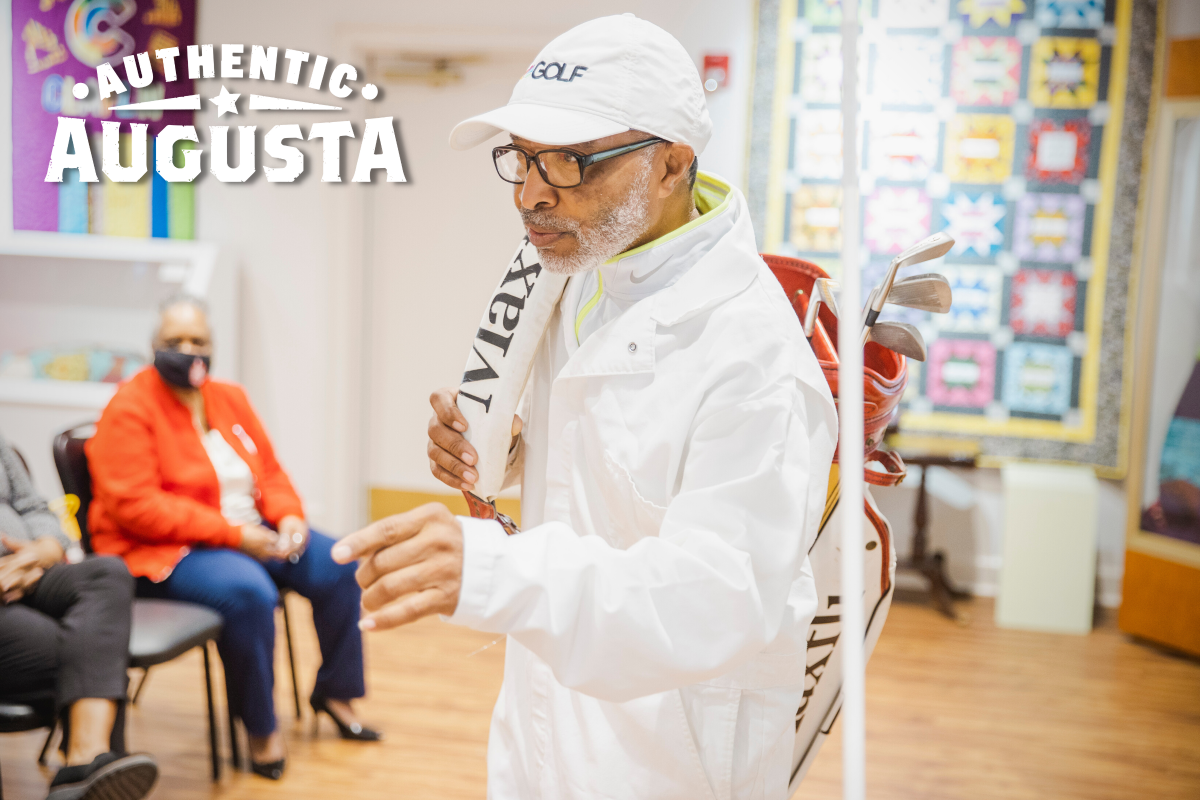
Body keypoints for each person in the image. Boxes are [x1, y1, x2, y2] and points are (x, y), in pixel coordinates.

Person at [333, 14, 838, 800]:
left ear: (671, 165)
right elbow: (617, 474)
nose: (532, 195)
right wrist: (511, 453)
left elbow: (715, 601)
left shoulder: (754, 355)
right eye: (523, 159)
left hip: (670, 765)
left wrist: (495, 571)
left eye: (571, 162)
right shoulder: (583, 272)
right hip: (541, 735)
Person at [86, 297, 380, 782]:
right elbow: (137, 507)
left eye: (197, 341)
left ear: (212, 346)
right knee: (249, 593)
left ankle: (335, 691)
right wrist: (235, 536)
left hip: (248, 535)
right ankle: (260, 729)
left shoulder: (228, 397)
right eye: (173, 341)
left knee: (340, 559)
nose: (186, 350)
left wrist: (289, 518)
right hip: (170, 551)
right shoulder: (129, 407)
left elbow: (270, 470)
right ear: (153, 347)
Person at [0, 430, 158, 800]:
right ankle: (86, 773)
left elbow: (35, 506)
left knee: (107, 573)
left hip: (30, 569)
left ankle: (83, 760)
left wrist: (44, 549)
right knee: (92, 647)